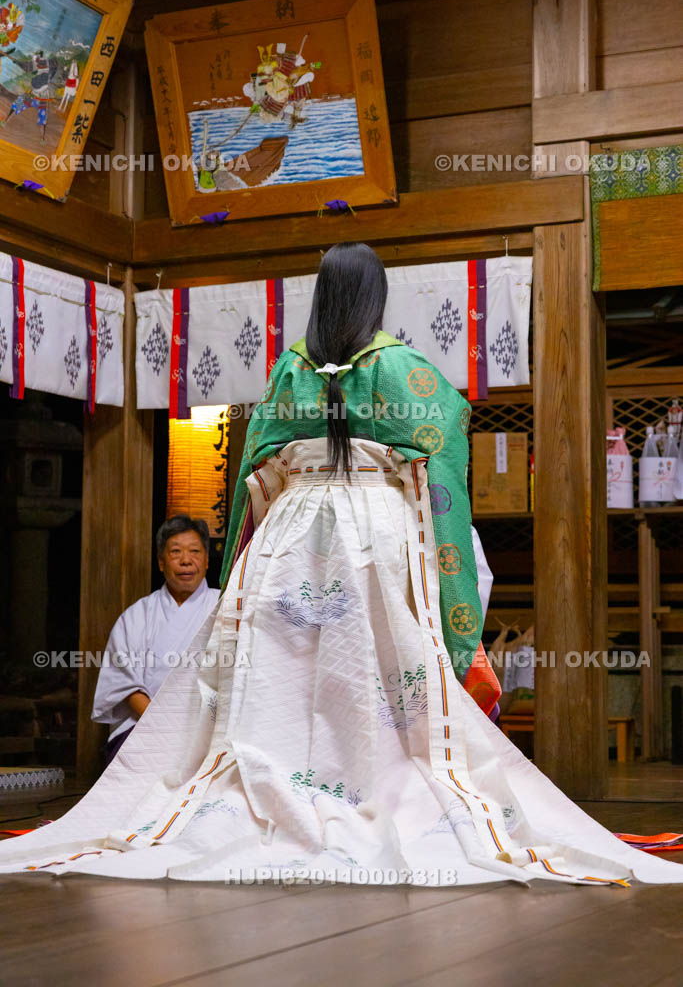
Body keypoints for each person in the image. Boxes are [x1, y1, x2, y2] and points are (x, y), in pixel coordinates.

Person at [0, 243, 681, 888]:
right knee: (380, 664)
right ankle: (370, 785)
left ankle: (268, 792)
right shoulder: (399, 367)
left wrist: (268, 518)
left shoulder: (291, 367)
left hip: (291, 533)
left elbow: (256, 459)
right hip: (373, 530)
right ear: (374, 298)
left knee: (280, 672)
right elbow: (442, 434)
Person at [91, 515, 220, 766]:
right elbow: (125, 684)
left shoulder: (224, 607)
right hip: (145, 724)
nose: (186, 560)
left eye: (194, 551)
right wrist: (161, 725)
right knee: (136, 767)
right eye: (176, 552)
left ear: (206, 560)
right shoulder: (136, 616)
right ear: (161, 562)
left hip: (208, 727)